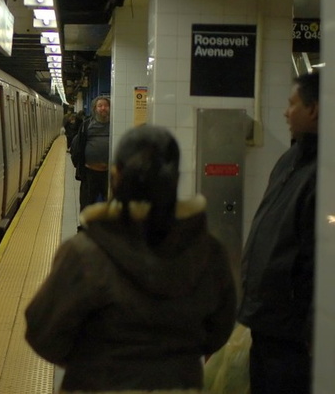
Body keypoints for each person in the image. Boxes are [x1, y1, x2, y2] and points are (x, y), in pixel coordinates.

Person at [25, 125, 237, 392]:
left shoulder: (84, 253)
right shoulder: (208, 252)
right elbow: (219, 330)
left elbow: (43, 332)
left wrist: (89, 362)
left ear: (116, 175)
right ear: (174, 179)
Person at [237, 71, 319, 394]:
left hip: (297, 338)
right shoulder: (289, 161)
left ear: (313, 109)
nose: (286, 112)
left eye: (292, 104)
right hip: (268, 324)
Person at [70, 96, 110, 210]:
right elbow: (77, 146)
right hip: (89, 173)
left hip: (108, 174)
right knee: (87, 204)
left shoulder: (114, 125)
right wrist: (78, 166)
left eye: (106, 106)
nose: (103, 108)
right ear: (95, 109)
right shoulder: (86, 125)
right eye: (100, 106)